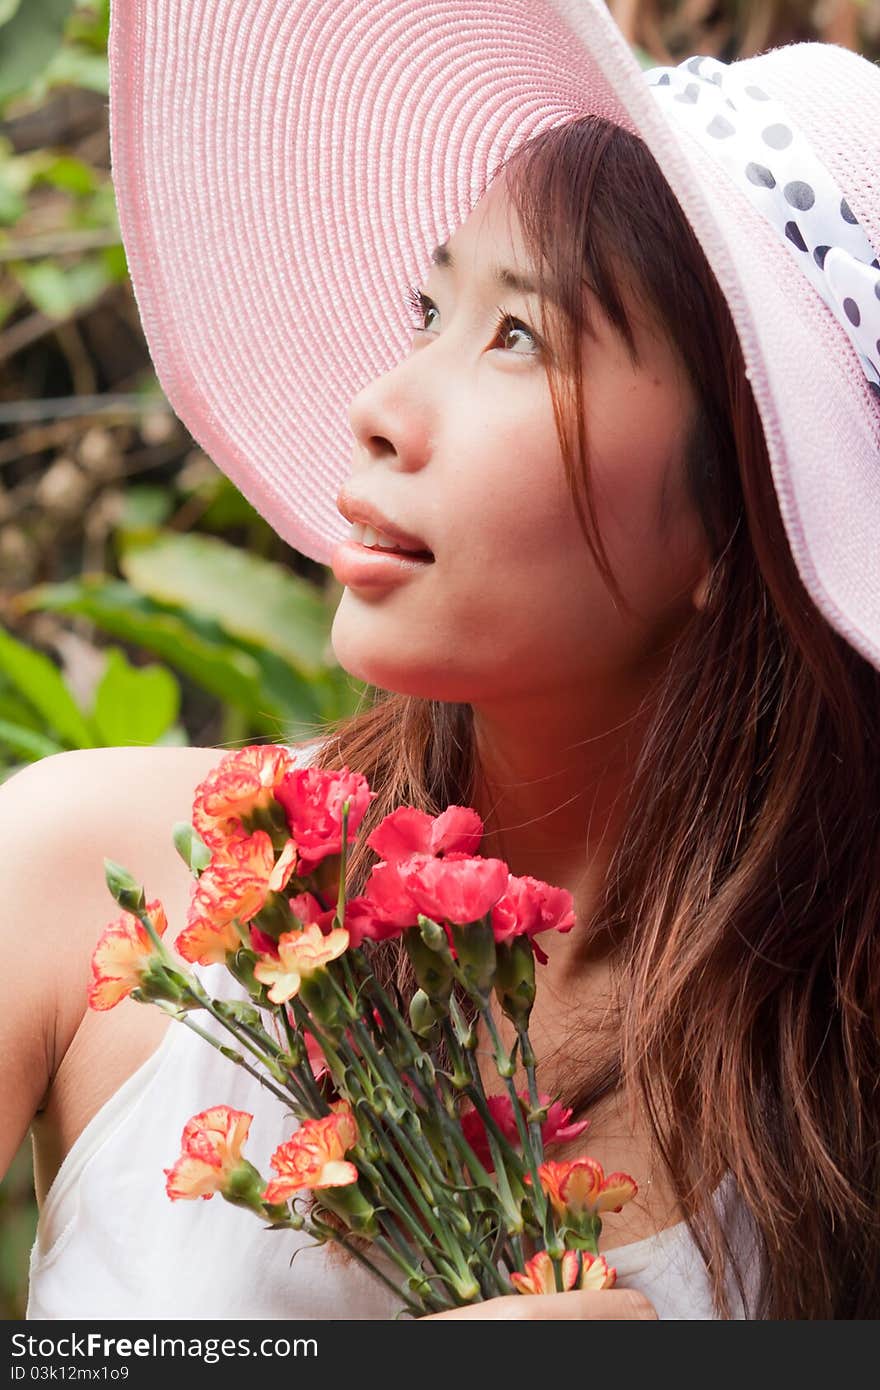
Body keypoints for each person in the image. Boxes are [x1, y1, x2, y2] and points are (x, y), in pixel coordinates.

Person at [3, 0, 880, 1320]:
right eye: (431, 308)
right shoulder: (79, 877)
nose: (378, 408)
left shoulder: (833, 1114)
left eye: (517, 335)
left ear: (738, 514)